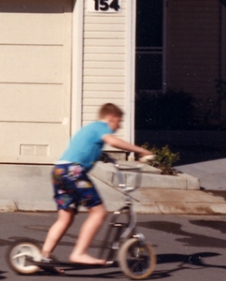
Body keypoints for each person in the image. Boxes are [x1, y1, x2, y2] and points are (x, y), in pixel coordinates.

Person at [38, 102, 153, 267]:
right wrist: (141, 150)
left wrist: (103, 156)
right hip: (73, 171)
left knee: (66, 217)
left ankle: (44, 255)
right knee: (99, 213)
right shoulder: (100, 127)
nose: (118, 126)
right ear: (111, 117)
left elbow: (86, 148)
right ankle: (79, 253)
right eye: (118, 122)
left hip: (59, 171)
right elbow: (112, 141)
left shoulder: (90, 130)